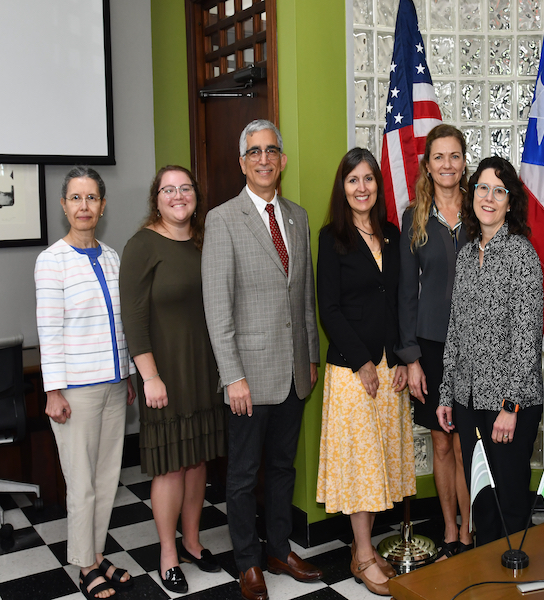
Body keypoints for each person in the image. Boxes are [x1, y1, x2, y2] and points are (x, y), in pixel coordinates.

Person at [202, 119, 322, 600]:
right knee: (244, 473)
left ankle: (278, 548)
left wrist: (310, 357)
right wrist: (232, 375)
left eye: (272, 150)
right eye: (254, 152)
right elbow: (217, 306)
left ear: (283, 160)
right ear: (242, 162)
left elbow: (305, 297)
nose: (264, 158)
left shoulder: (298, 216)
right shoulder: (223, 219)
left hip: (293, 373)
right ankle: (248, 563)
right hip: (248, 377)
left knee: (282, 469)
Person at [119, 166, 227, 594]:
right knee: (170, 466)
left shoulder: (204, 242)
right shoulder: (142, 245)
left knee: (197, 459)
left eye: (185, 189)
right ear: (156, 198)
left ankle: (194, 542)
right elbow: (134, 319)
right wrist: (150, 377)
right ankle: (167, 553)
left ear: (195, 196)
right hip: (164, 372)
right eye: (169, 190)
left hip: (203, 368)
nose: (178, 196)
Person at [316, 148, 415, 596]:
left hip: (389, 369)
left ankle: (367, 548)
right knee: (361, 467)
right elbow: (329, 310)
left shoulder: (392, 235)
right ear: (343, 187)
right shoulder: (331, 237)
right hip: (353, 373)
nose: (362, 188)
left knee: (381, 466)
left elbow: (398, 301)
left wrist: (397, 356)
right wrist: (363, 362)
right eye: (353, 180)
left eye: (369, 179)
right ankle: (361, 555)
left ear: (378, 185)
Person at [34, 167, 136, 599]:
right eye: (75, 198)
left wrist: (128, 372)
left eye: (91, 198)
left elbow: (123, 322)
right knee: (81, 481)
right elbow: (49, 329)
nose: (83, 207)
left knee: (107, 477)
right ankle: (84, 565)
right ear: (63, 205)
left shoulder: (112, 257)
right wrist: (53, 390)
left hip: (114, 383)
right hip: (76, 389)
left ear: (102, 204)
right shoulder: (51, 260)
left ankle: (94, 553)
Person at [436, 156, 543, 546]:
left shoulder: (522, 256)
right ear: (472, 194)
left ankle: (512, 583)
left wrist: (509, 406)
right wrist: (447, 394)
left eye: (500, 191)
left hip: (507, 405)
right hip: (467, 399)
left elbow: (526, 338)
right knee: (481, 501)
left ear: (510, 202)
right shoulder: (466, 254)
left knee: (510, 503)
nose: (489, 197)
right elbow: (456, 329)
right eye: (483, 187)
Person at [397, 124, 472, 558]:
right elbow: (407, 293)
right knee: (441, 441)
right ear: (428, 165)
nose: (447, 164)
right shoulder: (415, 216)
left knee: (467, 441)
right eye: (438, 157)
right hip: (431, 347)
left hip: (474, 348)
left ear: (464, 162)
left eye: (454, 156)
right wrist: (411, 358)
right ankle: (448, 530)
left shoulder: (482, 206)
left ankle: (470, 530)